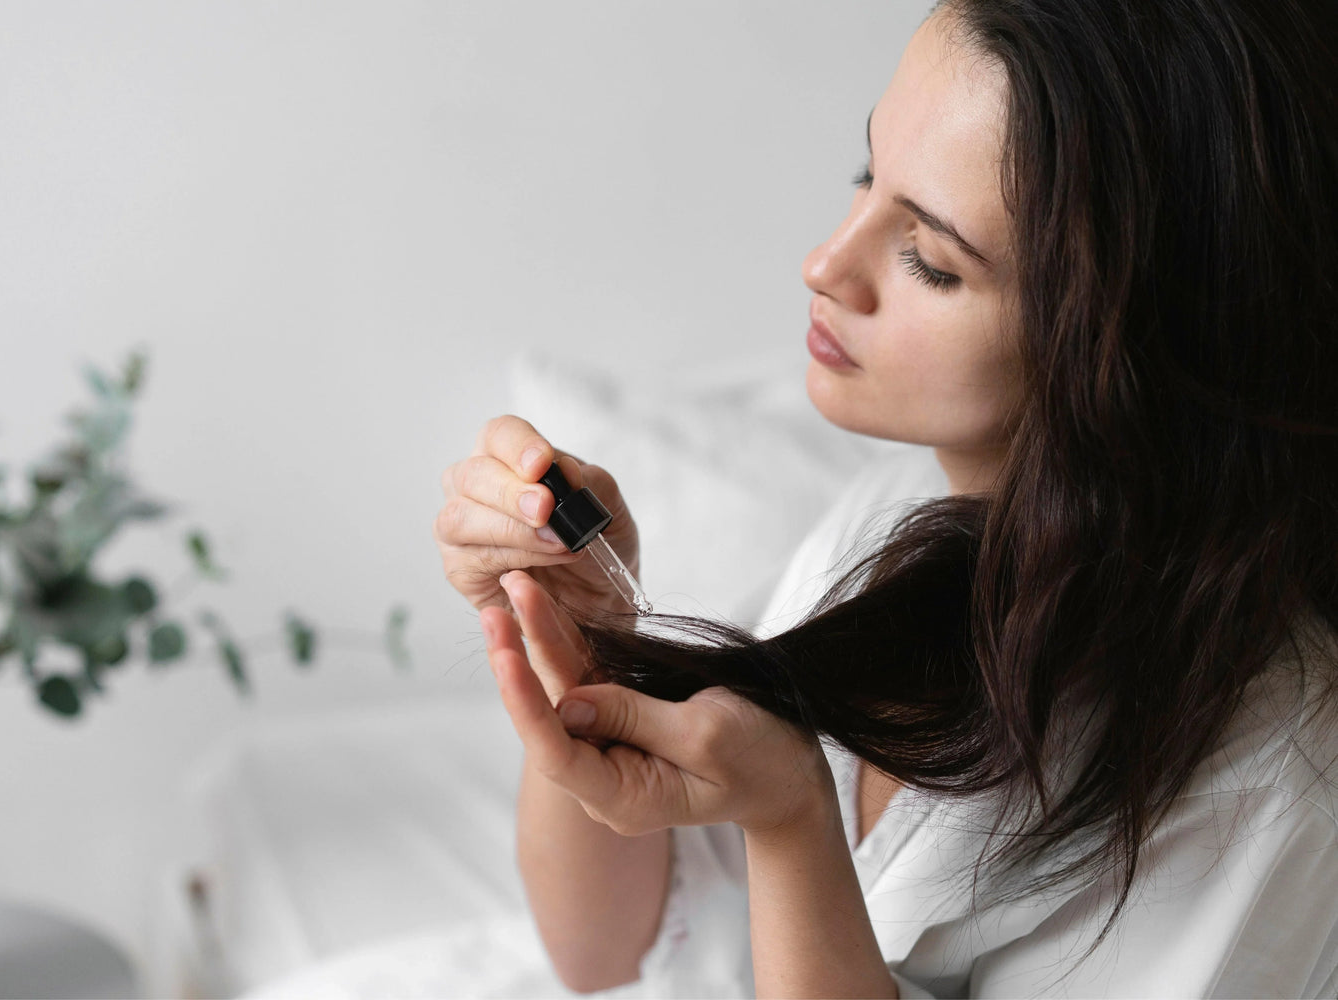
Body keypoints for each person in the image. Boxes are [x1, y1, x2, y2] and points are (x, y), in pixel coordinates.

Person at [434, 0, 1338, 995]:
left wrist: (793, 824)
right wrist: (593, 644)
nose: (825, 266)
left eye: (930, 261)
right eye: (866, 176)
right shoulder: (891, 517)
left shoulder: (1264, 777)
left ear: (1132, 351)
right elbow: (604, 951)